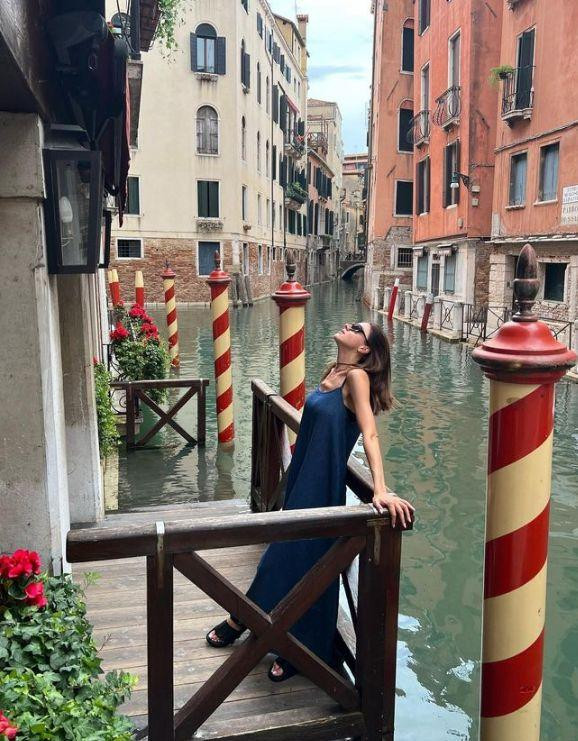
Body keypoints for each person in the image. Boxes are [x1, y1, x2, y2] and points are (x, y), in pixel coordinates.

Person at [206, 321, 414, 681]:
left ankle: (247, 622)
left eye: (357, 328)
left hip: (322, 485)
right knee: (302, 562)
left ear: (364, 349)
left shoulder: (356, 378)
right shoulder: (333, 372)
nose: (348, 325)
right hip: (302, 477)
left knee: (289, 560)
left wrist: (379, 489)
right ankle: (292, 642)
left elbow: (370, 433)